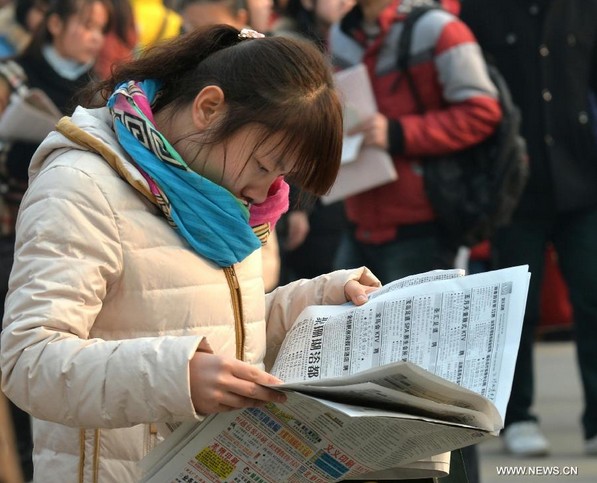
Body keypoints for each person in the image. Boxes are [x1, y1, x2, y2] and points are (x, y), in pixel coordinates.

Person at [0, 24, 381, 482]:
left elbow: (205, 321)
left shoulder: (218, 193)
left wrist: (317, 302)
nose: (266, 191)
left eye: (283, 176)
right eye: (264, 165)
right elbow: (28, 360)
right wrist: (178, 377)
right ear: (208, 107)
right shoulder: (81, 187)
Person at [328, 0, 502, 481]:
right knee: (362, 374)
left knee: (437, 379)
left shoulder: (440, 30)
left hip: (424, 223)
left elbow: (484, 112)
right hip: (360, 216)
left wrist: (401, 133)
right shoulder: (341, 36)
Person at [460, 0, 597, 458]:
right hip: (516, 187)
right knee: (516, 310)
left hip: (584, 180)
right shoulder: (481, 12)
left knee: (593, 298)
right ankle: (518, 415)